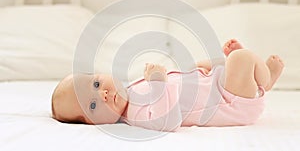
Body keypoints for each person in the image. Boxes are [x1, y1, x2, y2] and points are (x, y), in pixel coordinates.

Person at [51, 39, 284, 131]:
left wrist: (202, 69)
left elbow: (181, 80)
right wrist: (159, 83)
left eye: (97, 83)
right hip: (230, 103)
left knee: (205, 62)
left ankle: (238, 70)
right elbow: (168, 121)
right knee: (240, 58)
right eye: (92, 106)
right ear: (91, 123)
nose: (102, 94)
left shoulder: (131, 92)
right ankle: (265, 79)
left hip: (213, 85)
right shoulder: (135, 115)